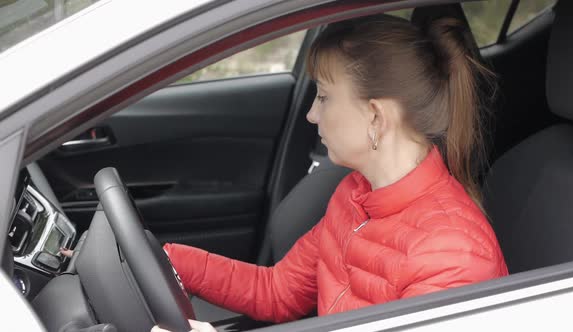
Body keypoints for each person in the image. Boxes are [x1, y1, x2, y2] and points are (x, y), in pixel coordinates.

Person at [153, 14, 508, 331]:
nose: (311, 114)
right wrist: (171, 261)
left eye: (323, 97)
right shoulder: (355, 193)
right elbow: (277, 292)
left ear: (375, 117)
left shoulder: (453, 258)